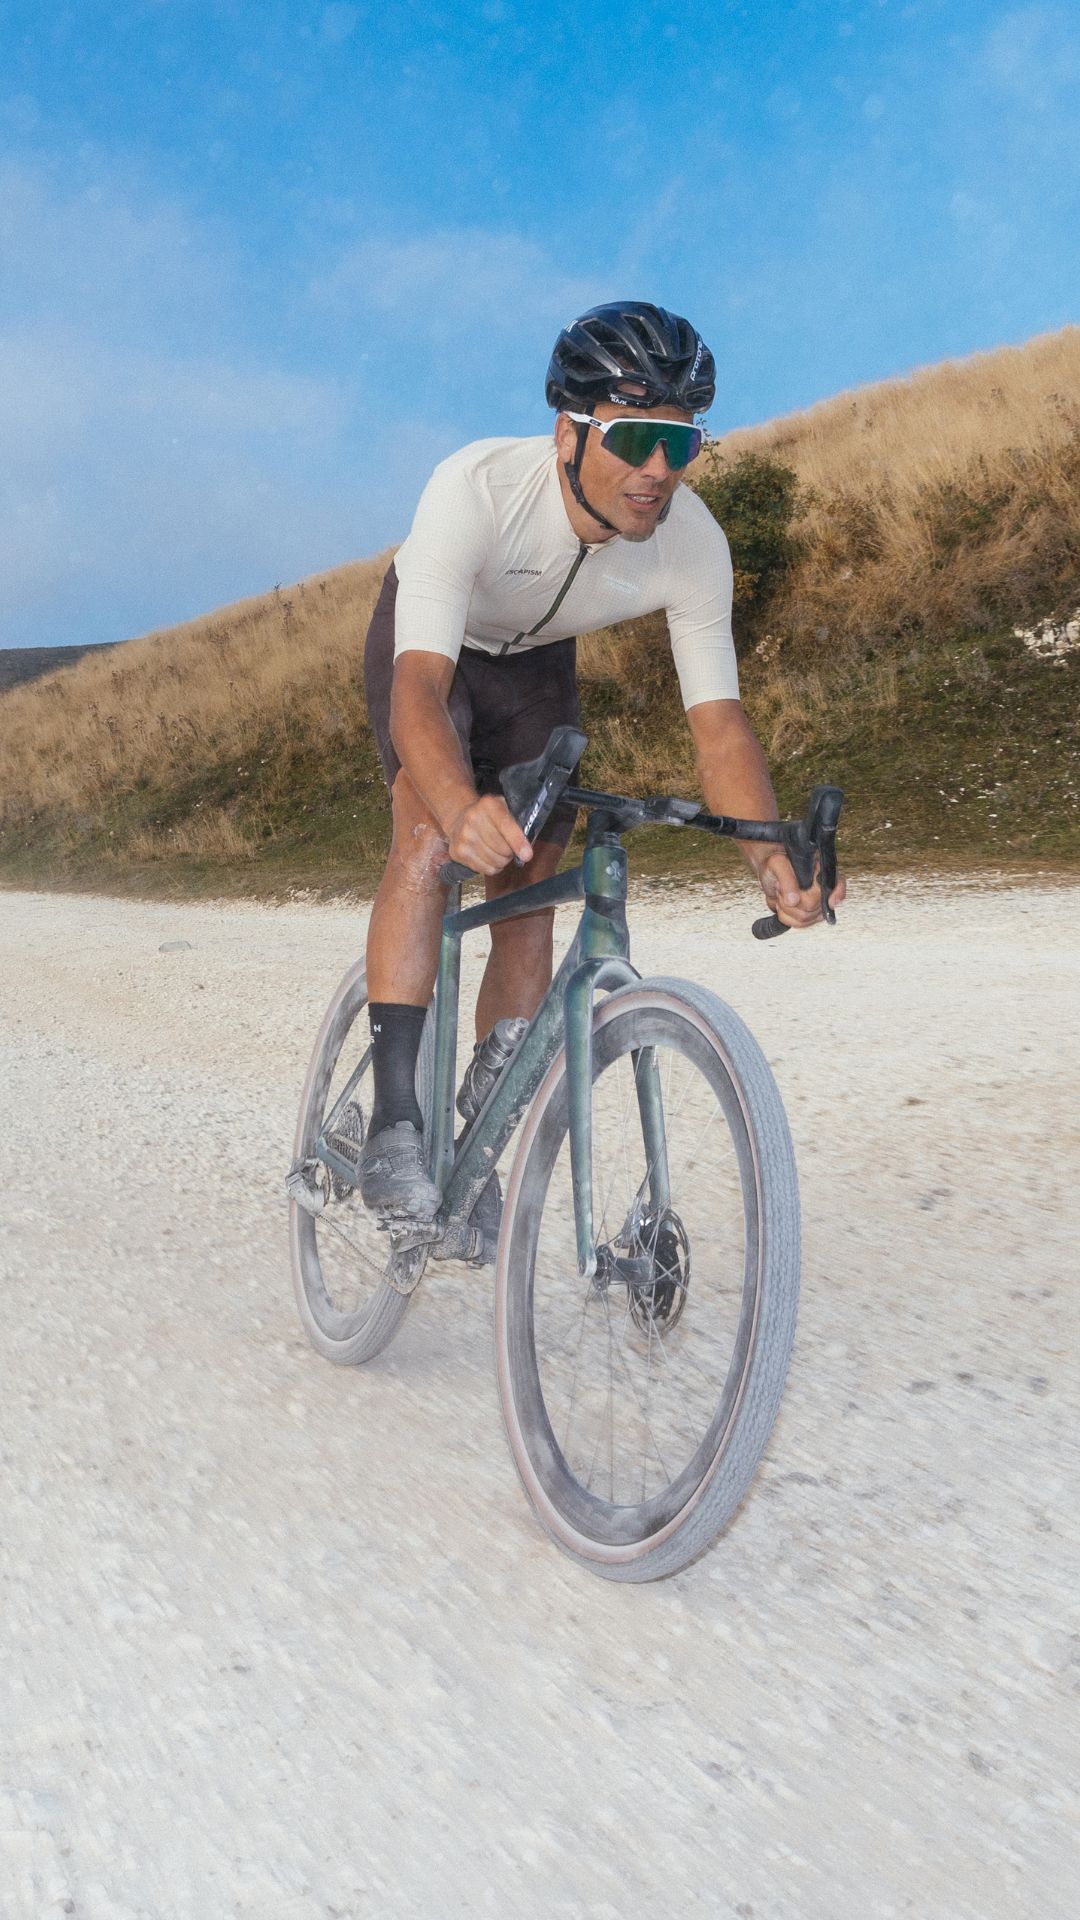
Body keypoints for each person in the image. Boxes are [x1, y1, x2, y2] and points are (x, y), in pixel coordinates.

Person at [358, 300, 845, 1218]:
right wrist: (457, 805)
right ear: (568, 433)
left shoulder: (693, 544)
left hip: (536, 670)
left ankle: (485, 1117)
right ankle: (393, 1126)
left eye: (680, 441)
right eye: (633, 438)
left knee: (531, 884)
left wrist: (769, 857)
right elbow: (418, 689)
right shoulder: (474, 489)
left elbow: (719, 727)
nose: (658, 469)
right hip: (435, 652)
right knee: (427, 836)